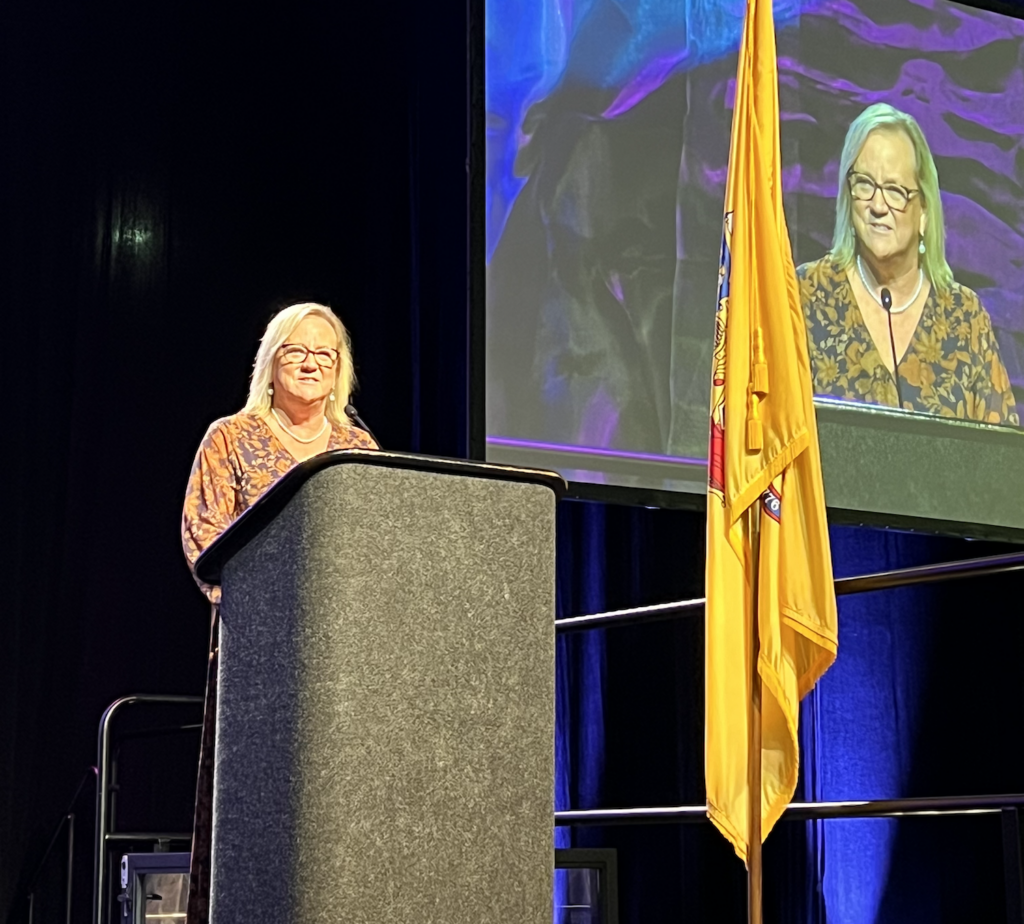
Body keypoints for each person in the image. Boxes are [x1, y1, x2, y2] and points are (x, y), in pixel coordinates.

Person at [180, 302, 377, 923]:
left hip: (341, 667)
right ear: (271, 363)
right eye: (297, 351)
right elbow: (202, 540)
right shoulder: (231, 438)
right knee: (255, 812)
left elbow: (382, 545)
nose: (312, 363)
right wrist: (263, 611)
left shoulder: (358, 446)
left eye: (326, 353)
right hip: (256, 658)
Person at [797, 103, 1019, 426]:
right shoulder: (808, 296)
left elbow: (1001, 459)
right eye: (864, 184)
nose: (877, 205)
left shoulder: (964, 318)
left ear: (924, 212)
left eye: (894, 190)